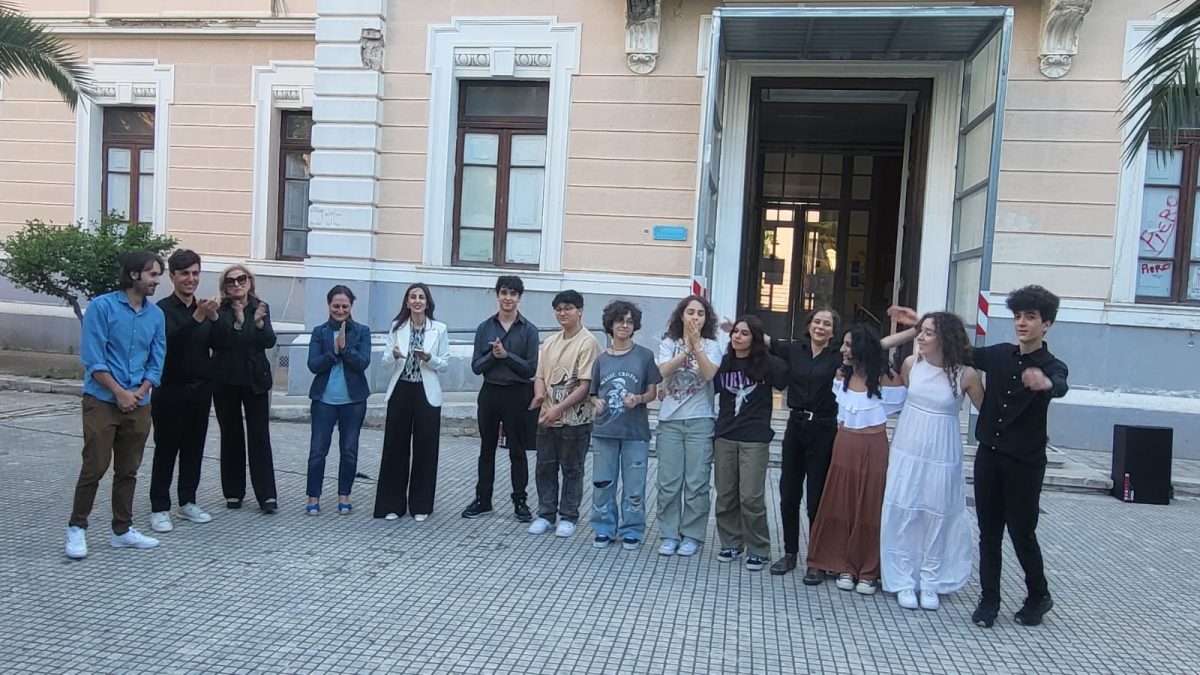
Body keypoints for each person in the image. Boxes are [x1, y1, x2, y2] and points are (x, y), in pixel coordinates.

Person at [970, 285, 1068, 629]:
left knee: (1022, 532)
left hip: (1024, 464)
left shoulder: (1053, 366)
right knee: (988, 532)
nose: (1022, 323)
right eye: (1018, 316)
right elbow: (960, 351)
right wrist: (923, 324)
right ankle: (989, 600)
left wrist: (1046, 384)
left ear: (1047, 324)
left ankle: (1038, 595)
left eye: (1030, 317)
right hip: (989, 457)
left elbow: (1060, 384)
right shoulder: (999, 355)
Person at [65, 251, 166, 559]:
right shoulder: (102, 307)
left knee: (128, 469)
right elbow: (93, 357)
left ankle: (122, 530)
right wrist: (119, 392)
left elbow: (157, 360)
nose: (157, 281)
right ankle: (77, 527)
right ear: (134, 274)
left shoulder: (155, 315)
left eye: (158, 275)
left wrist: (139, 391)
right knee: (95, 465)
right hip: (102, 399)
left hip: (139, 401)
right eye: (152, 274)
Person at [881, 311, 984, 611]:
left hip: (943, 451)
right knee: (904, 509)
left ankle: (931, 579)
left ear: (945, 338)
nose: (920, 338)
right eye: (920, 331)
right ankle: (902, 578)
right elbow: (881, 350)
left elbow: (988, 412)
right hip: (908, 448)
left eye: (927, 333)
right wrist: (914, 326)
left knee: (938, 514)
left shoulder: (966, 375)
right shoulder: (911, 364)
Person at [805, 325, 906, 594]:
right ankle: (841, 564)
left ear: (863, 348)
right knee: (841, 503)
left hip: (874, 446)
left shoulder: (887, 379)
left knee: (870, 506)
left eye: (849, 345)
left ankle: (868, 569)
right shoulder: (842, 375)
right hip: (844, 443)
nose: (843, 350)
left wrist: (913, 329)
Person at [766, 307, 842, 579]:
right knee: (788, 494)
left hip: (824, 428)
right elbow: (765, 340)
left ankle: (817, 559)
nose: (820, 327)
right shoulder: (794, 351)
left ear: (833, 331)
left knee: (816, 498)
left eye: (827, 324)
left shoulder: (839, 356)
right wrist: (737, 326)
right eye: (817, 322)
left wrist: (912, 329)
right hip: (795, 426)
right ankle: (789, 554)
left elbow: (876, 346)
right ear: (809, 325)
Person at [148, 249, 219, 534]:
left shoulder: (203, 308)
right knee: (166, 449)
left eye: (195, 273)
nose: (191, 279)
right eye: (185, 274)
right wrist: (198, 317)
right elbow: (171, 344)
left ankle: (187, 501)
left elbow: (221, 344)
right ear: (173, 276)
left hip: (200, 390)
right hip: (170, 389)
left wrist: (215, 318)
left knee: (194, 448)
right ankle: (159, 507)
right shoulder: (161, 310)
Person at [712, 315, 788, 571]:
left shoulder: (767, 363)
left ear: (755, 338)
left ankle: (758, 549)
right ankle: (731, 543)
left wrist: (766, 341)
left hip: (754, 438)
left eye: (744, 333)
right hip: (725, 436)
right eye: (735, 332)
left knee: (751, 497)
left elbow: (789, 369)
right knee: (725, 495)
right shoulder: (725, 363)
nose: (737, 336)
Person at [463, 275, 540, 522]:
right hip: (490, 393)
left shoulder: (529, 330)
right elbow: (476, 367)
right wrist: (493, 356)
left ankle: (520, 501)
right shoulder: (485, 327)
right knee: (486, 449)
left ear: (520, 298)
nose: (508, 298)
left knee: (517, 450)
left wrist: (506, 356)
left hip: (517, 394)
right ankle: (483, 499)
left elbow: (530, 369)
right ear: (497, 295)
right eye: (504, 293)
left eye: (513, 294)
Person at [588, 300, 661, 550]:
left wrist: (638, 399)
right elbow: (592, 393)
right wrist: (596, 402)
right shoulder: (601, 360)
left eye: (630, 321)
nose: (624, 325)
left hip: (635, 431)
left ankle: (632, 529)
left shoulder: (645, 356)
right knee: (602, 482)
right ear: (610, 324)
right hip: (605, 431)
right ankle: (603, 527)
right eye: (620, 320)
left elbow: (652, 392)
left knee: (635, 484)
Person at [527, 290, 600, 538]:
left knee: (572, 468)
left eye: (568, 308)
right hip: (547, 416)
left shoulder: (588, 342)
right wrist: (539, 396)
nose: (562, 313)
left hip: (575, 418)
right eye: (558, 309)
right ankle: (546, 514)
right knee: (544, 467)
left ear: (580, 311)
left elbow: (585, 385)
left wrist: (558, 408)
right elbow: (540, 375)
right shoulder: (550, 341)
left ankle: (568, 516)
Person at [654, 294, 723, 557]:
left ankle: (692, 535)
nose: (695, 317)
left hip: (700, 420)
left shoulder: (712, 346)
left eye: (700, 313)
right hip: (670, 421)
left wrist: (697, 346)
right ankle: (669, 534)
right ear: (681, 315)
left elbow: (708, 374)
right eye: (690, 312)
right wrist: (685, 349)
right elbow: (663, 371)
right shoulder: (668, 343)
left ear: (707, 319)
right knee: (668, 482)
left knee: (697, 482)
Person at [376, 283, 450, 521]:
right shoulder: (397, 327)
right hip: (401, 389)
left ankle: (421, 505)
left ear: (427, 302)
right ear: (407, 302)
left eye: (421, 297)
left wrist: (429, 358)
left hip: (426, 392)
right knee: (395, 447)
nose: (417, 301)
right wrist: (393, 355)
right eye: (413, 297)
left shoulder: (439, 329)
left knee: (425, 448)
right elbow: (385, 363)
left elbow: (445, 364)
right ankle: (391, 505)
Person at [211, 264, 279, 514]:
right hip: (225, 379)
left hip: (255, 380)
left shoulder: (260, 307)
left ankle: (267, 495)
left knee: (259, 436)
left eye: (241, 279)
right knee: (231, 435)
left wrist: (259, 323)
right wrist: (239, 323)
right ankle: (233, 492)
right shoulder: (219, 309)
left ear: (250, 282)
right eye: (231, 281)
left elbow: (268, 341)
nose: (237, 284)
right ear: (225, 286)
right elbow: (219, 342)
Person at [305, 285, 371, 515]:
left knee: (349, 450)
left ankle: (344, 495)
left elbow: (363, 362)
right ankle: (313, 497)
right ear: (328, 305)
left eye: (345, 306)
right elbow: (313, 365)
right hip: (324, 400)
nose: (340, 310)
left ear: (352, 306)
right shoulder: (319, 332)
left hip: (353, 401)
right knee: (318, 450)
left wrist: (345, 349)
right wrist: (333, 351)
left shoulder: (362, 331)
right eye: (336, 306)